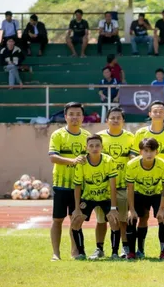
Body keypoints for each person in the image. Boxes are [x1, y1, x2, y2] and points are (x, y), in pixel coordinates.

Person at [130, 101, 164, 259]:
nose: (158, 113)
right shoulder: (140, 133)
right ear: (150, 114)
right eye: (155, 111)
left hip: (162, 185)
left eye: (161, 111)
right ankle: (138, 250)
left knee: (163, 217)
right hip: (142, 184)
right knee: (142, 218)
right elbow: (133, 154)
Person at [48, 102, 91, 261]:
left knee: (76, 220)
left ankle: (75, 252)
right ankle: (56, 253)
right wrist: (73, 160)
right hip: (61, 185)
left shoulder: (87, 136)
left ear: (82, 117)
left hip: (79, 186)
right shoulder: (57, 135)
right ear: (65, 116)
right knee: (57, 220)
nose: (75, 117)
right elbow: (53, 157)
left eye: (78, 114)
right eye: (71, 114)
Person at [70, 134, 119, 260]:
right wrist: (76, 208)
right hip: (88, 197)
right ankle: (81, 253)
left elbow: (113, 186)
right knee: (76, 222)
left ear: (102, 147)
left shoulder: (108, 160)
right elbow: (77, 186)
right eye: (91, 146)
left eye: (97, 145)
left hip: (105, 197)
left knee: (114, 220)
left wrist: (113, 208)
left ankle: (114, 253)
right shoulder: (81, 163)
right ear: (86, 148)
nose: (94, 148)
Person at [96, 107, 135, 259]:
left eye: (119, 117)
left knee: (123, 220)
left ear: (123, 121)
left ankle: (125, 248)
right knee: (101, 221)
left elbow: (134, 158)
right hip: (103, 187)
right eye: (112, 117)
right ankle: (99, 248)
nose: (115, 120)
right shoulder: (98, 137)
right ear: (107, 120)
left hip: (123, 186)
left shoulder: (130, 137)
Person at [124, 137, 164, 260]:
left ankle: (163, 252)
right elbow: (130, 188)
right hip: (139, 194)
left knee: (162, 218)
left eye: (152, 151)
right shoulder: (131, 165)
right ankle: (135, 252)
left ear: (157, 152)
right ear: (140, 152)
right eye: (146, 151)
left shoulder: (163, 165)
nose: (149, 154)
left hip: (157, 194)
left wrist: (161, 208)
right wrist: (131, 209)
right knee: (133, 218)